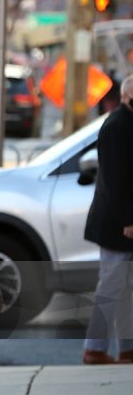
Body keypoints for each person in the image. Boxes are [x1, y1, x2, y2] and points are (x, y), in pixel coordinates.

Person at [82, 75, 133, 365]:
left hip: (124, 221)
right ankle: (95, 349)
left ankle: (127, 349)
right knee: (111, 287)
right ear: (126, 97)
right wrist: (128, 219)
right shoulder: (116, 127)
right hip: (117, 223)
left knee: (125, 290)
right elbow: (114, 181)